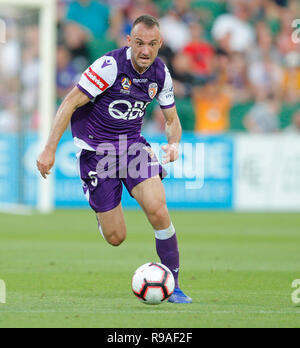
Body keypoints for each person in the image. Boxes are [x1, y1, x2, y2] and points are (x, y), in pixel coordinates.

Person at [36, 15, 192, 304]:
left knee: (158, 209)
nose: (145, 50)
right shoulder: (110, 67)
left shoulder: (161, 74)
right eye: (140, 43)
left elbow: (171, 119)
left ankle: (174, 284)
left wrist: (174, 143)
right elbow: (70, 102)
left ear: (160, 44)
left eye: (152, 44)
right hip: (98, 154)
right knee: (116, 237)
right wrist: (49, 149)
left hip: (132, 148)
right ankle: (102, 214)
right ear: (129, 41)